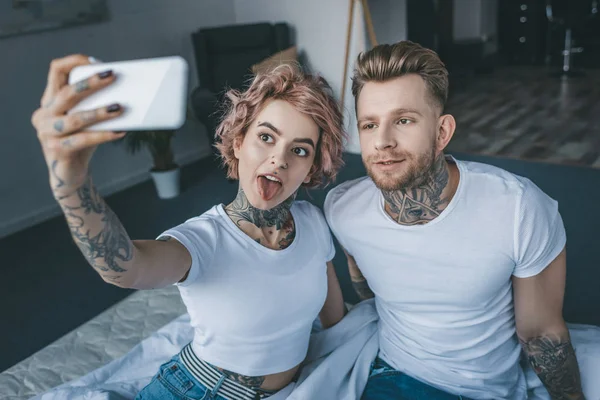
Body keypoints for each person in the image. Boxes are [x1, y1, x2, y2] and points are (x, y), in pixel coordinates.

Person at [31, 54, 347, 400]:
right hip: (198, 390)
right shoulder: (204, 239)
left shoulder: (313, 223)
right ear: (239, 143)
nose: (280, 159)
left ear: (312, 167)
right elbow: (124, 268)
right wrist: (71, 185)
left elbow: (336, 323)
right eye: (267, 138)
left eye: (300, 150)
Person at [324, 41, 585, 400]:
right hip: (392, 376)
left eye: (403, 120)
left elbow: (541, 335)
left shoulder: (518, 208)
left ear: (442, 132)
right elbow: (366, 290)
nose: (382, 141)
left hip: (483, 391)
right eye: (370, 125)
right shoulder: (342, 208)